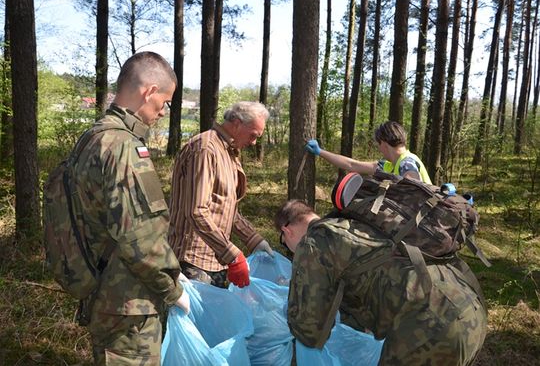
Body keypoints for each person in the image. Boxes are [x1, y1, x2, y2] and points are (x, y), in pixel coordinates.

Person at [71, 52, 190, 365]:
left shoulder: (93, 137)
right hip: (130, 303)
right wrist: (173, 289)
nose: (163, 111)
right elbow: (139, 236)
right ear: (148, 91)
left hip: (103, 290)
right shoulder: (124, 147)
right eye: (163, 102)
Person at [275, 199, 487, 365]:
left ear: (287, 232)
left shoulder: (314, 242)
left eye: (285, 245)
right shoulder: (356, 224)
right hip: (469, 309)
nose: (289, 250)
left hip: (430, 329)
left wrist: (287, 311)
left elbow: (309, 331)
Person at [168, 101, 274, 289]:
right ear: (236, 123)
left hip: (216, 258)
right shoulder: (205, 149)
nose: (254, 142)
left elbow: (224, 207)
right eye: (253, 135)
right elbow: (197, 211)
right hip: (193, 261)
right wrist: (233, 255)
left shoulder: (228, 152)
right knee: (197, 318)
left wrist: (254, 239)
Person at [305, 121, 432, 183]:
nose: (379, 148)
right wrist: (320, 152)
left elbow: (415, 191)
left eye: (379, 144)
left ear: (384, 143)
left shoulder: (407, 163)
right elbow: (352, 165)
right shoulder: (389, 165)